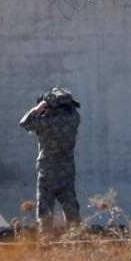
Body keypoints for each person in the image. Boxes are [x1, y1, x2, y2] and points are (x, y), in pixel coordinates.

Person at [20, 87, 82, 235]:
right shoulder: (74, 118)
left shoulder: (47, 121)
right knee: (72, 212)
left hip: (48, 173)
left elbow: (24, 123)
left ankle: (45, 244)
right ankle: (78, 241)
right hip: (67, 172)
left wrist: (38, 108)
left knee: (45, 214)